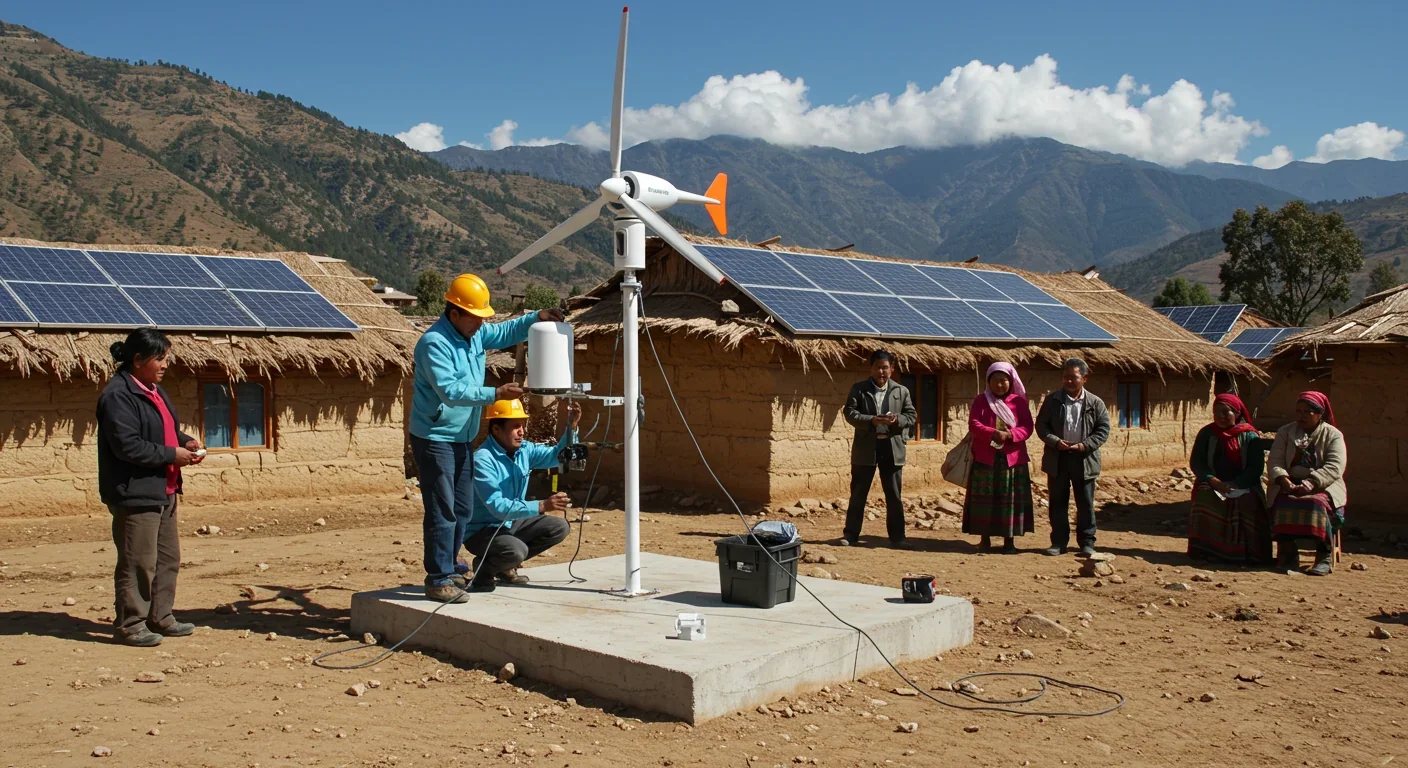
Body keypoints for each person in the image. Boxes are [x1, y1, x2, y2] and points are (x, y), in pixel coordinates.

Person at [409, 273, 566, 603]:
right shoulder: (434, 344)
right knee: (442, 509)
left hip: (462, 437)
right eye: (476, 318)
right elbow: (450, 392)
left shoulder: (473, 335)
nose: (481, 325)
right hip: (436, 437)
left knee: (462, 508)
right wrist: (495, 393)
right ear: (455, 313)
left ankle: (451, 567)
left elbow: (504, 331)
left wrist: (536, 317)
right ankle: (438, 577)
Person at [96, 329, 205, 647]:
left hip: (164, 489)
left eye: (167, 358)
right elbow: (128, 446)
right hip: (136, 491)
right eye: (160, 358)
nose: (165, 364)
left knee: (167, 558)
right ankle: (131, 624)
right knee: (138, 560)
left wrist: (185, 441)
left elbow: (165, 429)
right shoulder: (118, 396)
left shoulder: (153, 389)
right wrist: (174, 454)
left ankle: (161, 616)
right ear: (138, 359)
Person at [464, 398, 579, 592]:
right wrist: (542, 506)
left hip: (510, 523)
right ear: (496, 430)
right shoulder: (483, 460)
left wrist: (571, 427)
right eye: (515, 426)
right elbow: (498, 507)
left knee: (559, 527)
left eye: (523, 426)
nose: (522, 431)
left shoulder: (524, 450)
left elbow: (555, 456)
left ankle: (503, 566)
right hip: (482, 530)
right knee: (517, 551)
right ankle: (484, 570)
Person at [1034, 358, 1110, 557]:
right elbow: (1041, 426)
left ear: (1084, 378)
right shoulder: (1052, 401)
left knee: (1085, 503)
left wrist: (1085, 445)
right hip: (1057, 459)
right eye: (1065, 377)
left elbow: (1103, 429)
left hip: (1084, 459)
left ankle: (1087, 542)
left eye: (1073, 377)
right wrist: (1055, 441)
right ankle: (1059, 543)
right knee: (1058, 502)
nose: (1069, 381)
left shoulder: (1095, 403)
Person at [841, 349, 917, 548]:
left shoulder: (902, 391)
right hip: (866, 448)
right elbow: (850, 413)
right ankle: (850, 535)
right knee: (858, 493)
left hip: (892, 448)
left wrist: (896, 420)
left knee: (893, 495)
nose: (881, 372)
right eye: (877, 367)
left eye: (885, 368)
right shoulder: (859, 389)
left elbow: (912, 416)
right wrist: (871, 420)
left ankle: (898, 537)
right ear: (871, 368)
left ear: (892, 369)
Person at [1267, 392, 1347, 576]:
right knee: (1282, 502)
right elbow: (1275, 461)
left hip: (1323, 484)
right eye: (1298, 411)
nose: (1301, 416)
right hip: (1290, 482)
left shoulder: (1333, 435)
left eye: (1307, 412)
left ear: (1320, 414)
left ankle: (1324, 554)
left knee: (1316, 504)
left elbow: (1335, 466)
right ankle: (1288, 554)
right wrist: (1283, 480)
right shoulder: (1285, 432)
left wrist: (1311, 483)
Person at [1186, 393, 1272, 565]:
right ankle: (1207, 551)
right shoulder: (1207, 434)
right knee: (1204, 495)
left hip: (1243, 484)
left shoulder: (1250, 436)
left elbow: (1255, 468)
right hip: (1213, 483)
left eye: (1226, 413)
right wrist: (1213, 481)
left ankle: (1245, 554)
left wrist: (1235, 484)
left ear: (1237, 413)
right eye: (1216, 413)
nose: (1221, 417)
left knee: (1246, 500)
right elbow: (1197, 463)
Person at [962, 362, 1035, 553]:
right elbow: (973, 424)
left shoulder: (1019, 402)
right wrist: (993, 433)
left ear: (1011, 382)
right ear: (988, 381)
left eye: (1004, 380)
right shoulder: (981, 400)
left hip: (1012, 459)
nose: (1000, 385)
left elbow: (1028, 427)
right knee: (984, 501)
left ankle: (1009, 542)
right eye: (995, 380)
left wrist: (1010, 435)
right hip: (986, 458)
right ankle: (984, 540)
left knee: (1009, 501)